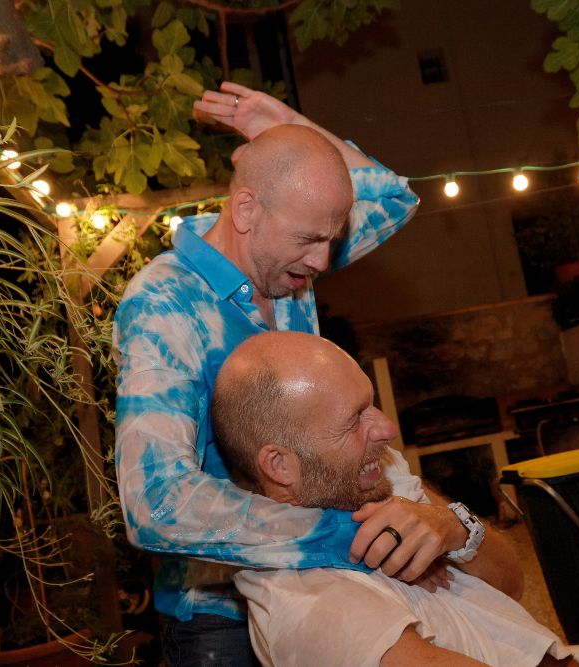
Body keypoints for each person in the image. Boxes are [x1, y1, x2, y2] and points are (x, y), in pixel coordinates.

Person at [115, 81, 517, 665]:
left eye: (331, 239)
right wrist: (359, 539)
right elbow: (155, 501)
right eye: (309, 239)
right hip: (221, 616)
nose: (324, 261)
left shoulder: (287, 265)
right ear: (246, 210)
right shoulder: (162, 303)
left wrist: (285, 124)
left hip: (327, 588)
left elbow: (393, 197)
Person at [211, 331, 576, 667]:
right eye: (354, 420)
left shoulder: (379, 479)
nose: (388, 429)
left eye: (372, 405)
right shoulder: (308, 600)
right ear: (280, 465)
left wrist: (455, 527)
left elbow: (512, 583)